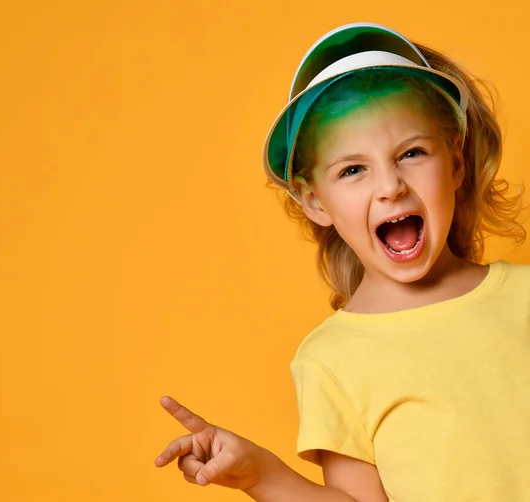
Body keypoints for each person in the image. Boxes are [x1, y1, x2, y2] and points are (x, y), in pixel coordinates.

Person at [154, 22, 529, 502]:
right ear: (316, 203)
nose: (390, 186)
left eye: (411, 153)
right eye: (353, 169)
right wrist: (262, 476)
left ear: (455, 162)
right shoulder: (331, 360)